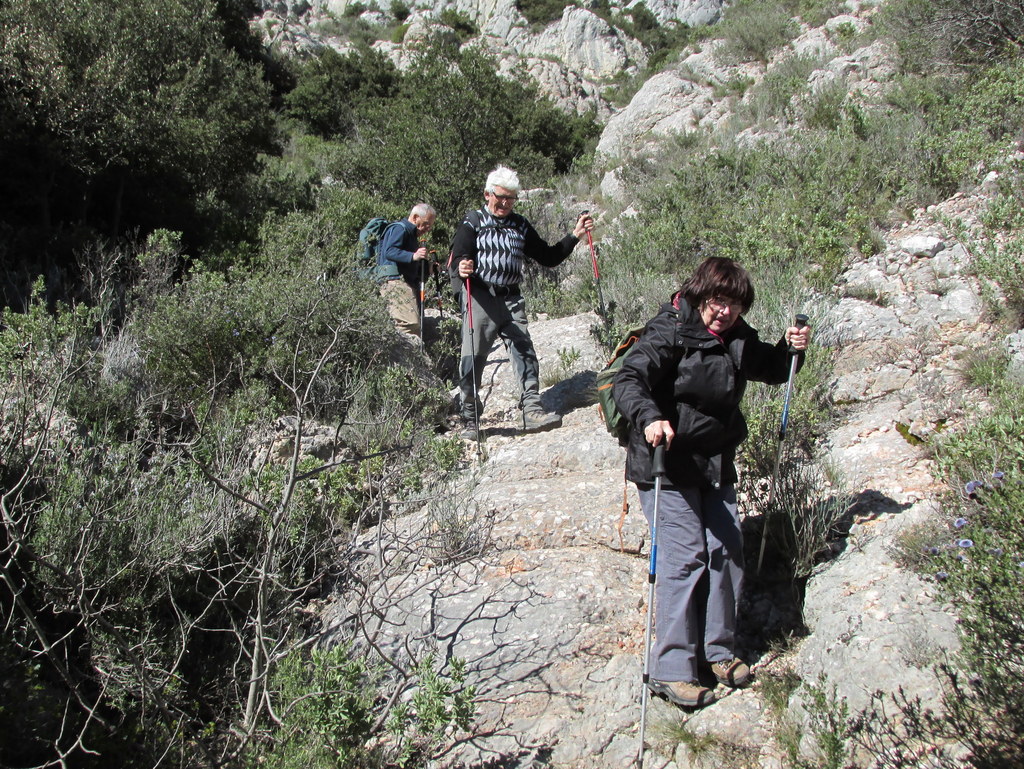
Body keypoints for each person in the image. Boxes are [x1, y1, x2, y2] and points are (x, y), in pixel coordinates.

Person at [612, 256, 811, 709]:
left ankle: (718, 651)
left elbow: (773, 367)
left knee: (727, 551)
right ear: (701, 294)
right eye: (718, 301)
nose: (725, 312)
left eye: (735, 305)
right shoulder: (669, 330)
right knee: (685, 559)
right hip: (664, 462)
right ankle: (672, 668)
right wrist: (649, 416)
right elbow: (630, 378)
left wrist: (790, 349)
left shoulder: (737, 336)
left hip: (713, 462)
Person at [450, 166, 594, 439]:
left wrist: (575, 235)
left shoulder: (520, 224)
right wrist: (463, 267)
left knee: (524, 351)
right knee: (473, 357)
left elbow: (548, 257)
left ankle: (531, 409)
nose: (504, 203)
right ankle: (470, 416)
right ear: (487, 194)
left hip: (512, 298)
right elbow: (459, 257)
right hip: (480, 297)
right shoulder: (472, 222)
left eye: (511, 198)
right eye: (500, 197)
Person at [378, 203, 436, 339]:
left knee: (413, 324)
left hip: (405, 282)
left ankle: (409, 355)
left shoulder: (411, 234)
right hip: (395, 282)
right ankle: (403, 357)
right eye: (426, 224)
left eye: (430, 226)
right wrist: (413, 256)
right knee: (408, 324)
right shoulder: (400, 229)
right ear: (415, 217)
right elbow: (390, 251)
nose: (427, 229)